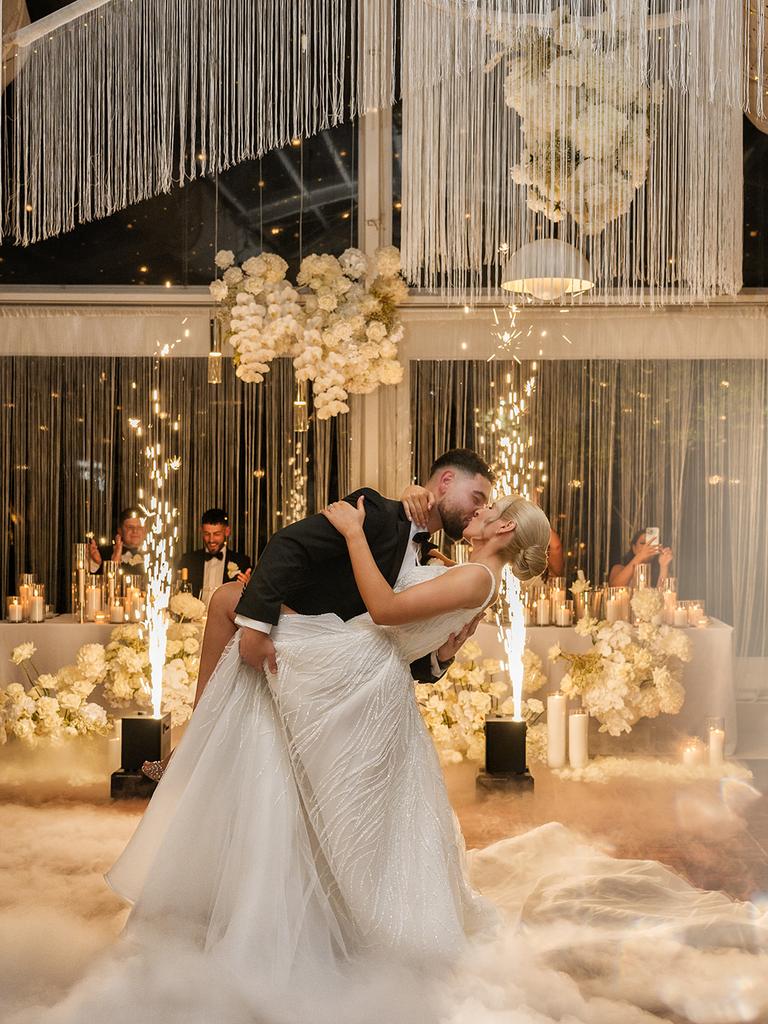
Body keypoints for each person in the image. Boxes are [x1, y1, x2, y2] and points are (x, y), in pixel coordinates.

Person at [104, 487, 551, 998]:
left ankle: (207, 800)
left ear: (505, 529)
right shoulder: (467, 570)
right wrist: (440, 633)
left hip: (358, 662)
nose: (479, 511)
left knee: (244, 631)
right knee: (243, 627)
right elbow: (425, 628)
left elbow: (384, 609)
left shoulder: (475, 577)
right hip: (359, 658)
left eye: (490, 510)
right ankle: (240, 862)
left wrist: (355, 534)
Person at [176, 508, 252, 605]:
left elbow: (248, 601)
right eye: (207, 534)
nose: (211, 540)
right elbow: (178, 593)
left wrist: (248, 588)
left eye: (216, 534)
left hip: (225, 619)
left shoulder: (242, 561)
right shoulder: (189, 560)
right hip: (195, 619)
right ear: (201, 531)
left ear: (227, 532)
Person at [608, 528, 674, 588]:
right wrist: (640, 556)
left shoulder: (659, 570)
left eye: (651, 544)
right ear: (634, 548)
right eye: (642, 543)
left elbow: (664, 597)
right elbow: (614, 587)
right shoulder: (619, 568)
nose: (647, 547)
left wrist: (664, 566)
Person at [88, 507, 147, 573]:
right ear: (120, 531)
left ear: (145, 530)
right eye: (130, 527)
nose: (135, 531)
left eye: (139, 527)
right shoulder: (102, 553)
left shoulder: (156, 555)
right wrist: (113, 561)